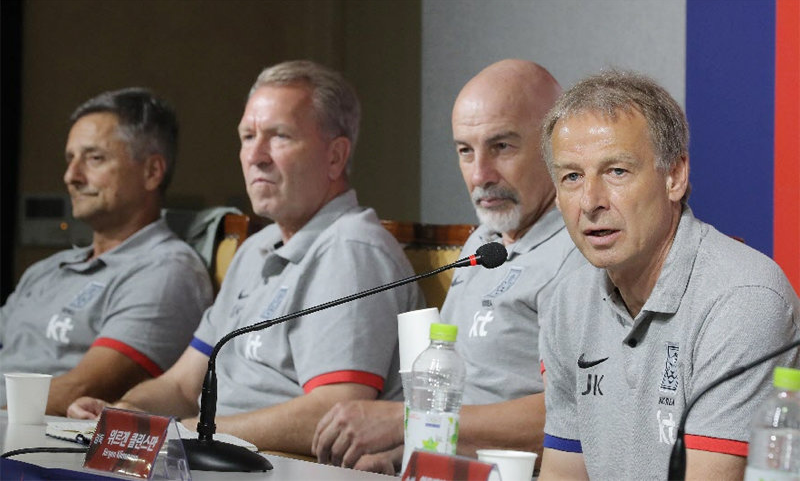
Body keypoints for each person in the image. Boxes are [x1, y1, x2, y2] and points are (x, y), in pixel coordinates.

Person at [68, 60, 423, 456]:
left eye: (280, 137)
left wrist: (185, 433)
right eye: (248, 136)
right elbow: (183, 385)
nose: (256, 155)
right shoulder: (256, 247)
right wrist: (126, 415)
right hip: (209, 455)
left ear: (336, 157)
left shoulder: (352, 249)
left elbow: (332, 414)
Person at [312, 59, 585, 474]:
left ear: (556, 145)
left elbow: (575, 412)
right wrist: (406, 454)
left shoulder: (583, 252)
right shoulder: (483, 241)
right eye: (465, 151)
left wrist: (403, 422)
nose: (480, 174)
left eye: (502, 146)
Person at [537, 69, 800, 480]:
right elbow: (563, 473)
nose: (590, 202)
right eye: (572, 176)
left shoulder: (743, 299)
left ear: (674, 176)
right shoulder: (567, 302)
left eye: (616, 171)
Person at [0, 88, 213, 416]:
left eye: (94, 158)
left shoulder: (166, 271)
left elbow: (86, 389)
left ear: (152, 172)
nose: (71, 176)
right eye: (70, 159)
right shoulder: (47, 270)